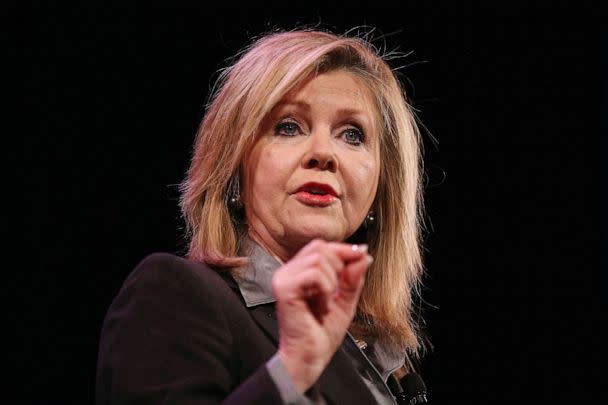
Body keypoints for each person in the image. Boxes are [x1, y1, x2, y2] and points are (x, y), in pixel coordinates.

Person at [96, 28, 428, 404]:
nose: (323, 153)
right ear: (233, 168)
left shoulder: (391, 360)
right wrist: (293, 371)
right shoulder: (174, 295)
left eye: (352, 134)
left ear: (380, 190)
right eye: (288, 127)